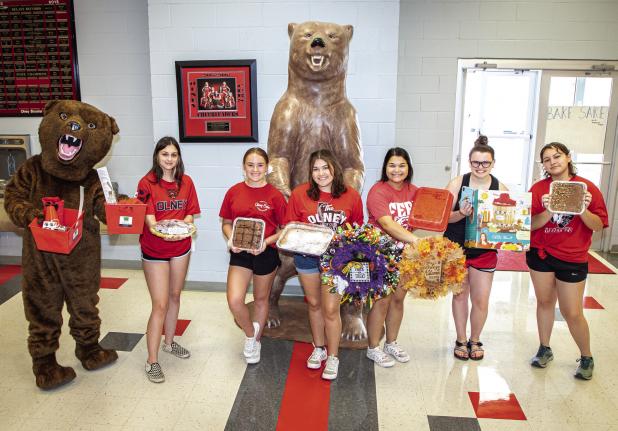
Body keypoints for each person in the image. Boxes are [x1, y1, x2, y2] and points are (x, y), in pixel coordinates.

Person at [527, 142, 608, 380]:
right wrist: (549, 210)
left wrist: (582, 208)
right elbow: (529, 226)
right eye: (547, 159)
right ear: (543, 165)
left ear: (568, 157)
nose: (553, 162)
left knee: (571, 311)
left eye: (557, 156)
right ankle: (544, 348)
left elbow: (598, 226)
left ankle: (586, 356)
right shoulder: (538, 189)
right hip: (540, 253)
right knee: (544, 302)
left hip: (572, 257)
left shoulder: (587, 188)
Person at [285, 149, 364, 380]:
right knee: (314, 304)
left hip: (337, 262)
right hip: (307, 258)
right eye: (315, 169)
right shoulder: (300, 194)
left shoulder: (350, 196)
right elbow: (290, 226)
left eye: (325, 168)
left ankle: (333, 355)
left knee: (331, 309)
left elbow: (358, 230)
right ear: (310, 172)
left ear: (334, 169)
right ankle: (318, 348)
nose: (321, 173)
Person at [137, 137, 201, 383]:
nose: (169, 159)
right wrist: (162, 229)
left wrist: (185, 226)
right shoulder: (147, 183)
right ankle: (152, 361)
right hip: (155, 249)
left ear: (178, 158)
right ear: (157, 156)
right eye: (165, 154)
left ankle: (170, 342)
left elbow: (190, 217)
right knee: (160, 304)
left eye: (174, 155)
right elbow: (150, 221)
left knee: (175, 296)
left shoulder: (187, 182)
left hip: (181, 247)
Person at [220, 148, 287, 364]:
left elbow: (284, 229)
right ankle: (250, 334)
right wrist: (231, 239)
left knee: (260, 299)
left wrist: (265, 243)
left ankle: (255, 342)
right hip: (240, 252)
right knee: (235, 300)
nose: (255, 169)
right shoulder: (234, 192)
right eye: (250, 165)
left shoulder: (275, 195)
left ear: (267, 168)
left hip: (265, 253)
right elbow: (227, 223)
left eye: (260, 165)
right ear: (243, 167)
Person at [444, 136, 507, 360]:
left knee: (481, 299)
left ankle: (475, 339)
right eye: (475, 163)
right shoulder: (456, 183)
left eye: (485, 163)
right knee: (460, 295)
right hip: (456, 248)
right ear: (469, 162)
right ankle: (461, 339)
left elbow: (506, 226)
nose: (480, 167)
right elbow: (442, 219)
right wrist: (461, 213)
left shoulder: (501, 188)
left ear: (493, 163)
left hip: (484, 251)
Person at [366, 147, 418, 366]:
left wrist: (460, 212)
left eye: (401, 165)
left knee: (398, 299)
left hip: (405, 254)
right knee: (382, 300)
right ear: (385, 168)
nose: (397, 170)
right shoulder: (378, 191)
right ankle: (373, 347)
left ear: (408, 168)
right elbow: (387, 223)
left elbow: (434, 216)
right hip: (381, 252)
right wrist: (415, 241)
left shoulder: (415, 191)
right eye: (392, 165)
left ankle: (391, 342)